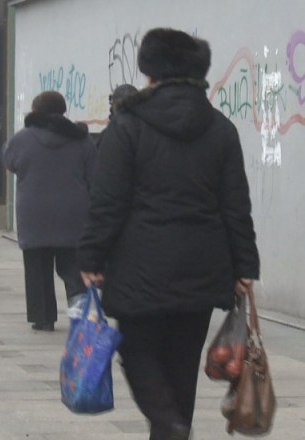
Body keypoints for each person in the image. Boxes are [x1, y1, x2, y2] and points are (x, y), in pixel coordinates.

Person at [78, 28, 260, 440]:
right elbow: (236, 205)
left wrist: (90, 257)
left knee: (138, 350)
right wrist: (245, 266)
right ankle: (174, 426)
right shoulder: (220, 129)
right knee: (181, 361)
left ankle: (169, 424)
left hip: (139, 264)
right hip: (203, 265)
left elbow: (107, 201)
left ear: (149, 73)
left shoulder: (127, 127)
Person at [2, 91, 97, 331]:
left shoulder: (22, 139)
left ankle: (43, 318)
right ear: (63, 110)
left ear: (36, 111)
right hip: (72, 214)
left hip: (34, 214)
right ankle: (79, 314)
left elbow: (9, 161)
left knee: (36, 268)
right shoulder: (81, 138)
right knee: (74, 269)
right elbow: (94, 173)